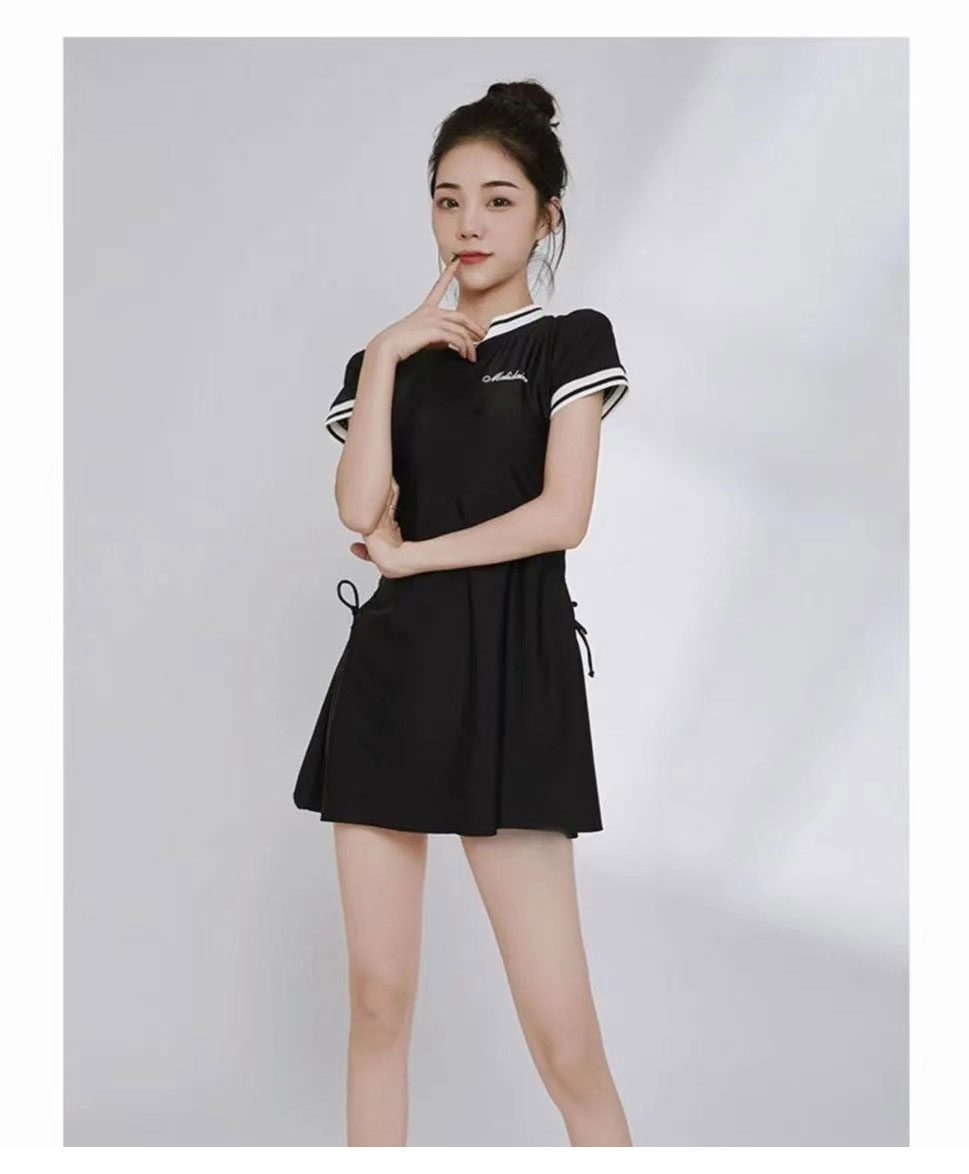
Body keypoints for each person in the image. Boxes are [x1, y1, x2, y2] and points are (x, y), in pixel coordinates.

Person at [294, 79, 633, 1146]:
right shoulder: (388, 360)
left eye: (497, 199)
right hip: (393, 680)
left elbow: (562, 516)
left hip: (515, 682)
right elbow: (358, 507)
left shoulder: (568, 340)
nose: (469, 224)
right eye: (448, 201)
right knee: (377, 1005)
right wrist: (388, 352)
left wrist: (419, 556)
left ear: (546, 215)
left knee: (564, 1038)